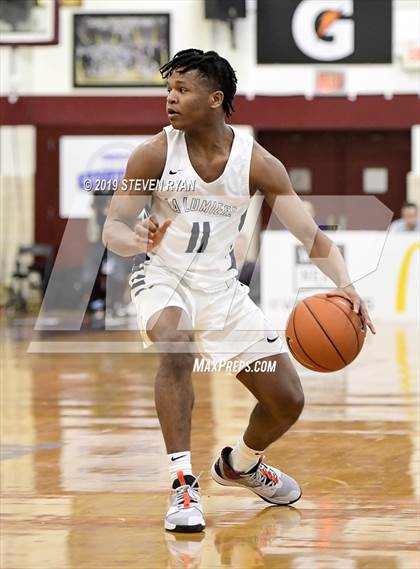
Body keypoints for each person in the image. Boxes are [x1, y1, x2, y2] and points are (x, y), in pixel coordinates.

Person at [103, 49, 375, 534]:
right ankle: (183, 483)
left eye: (182, 90)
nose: (170, 99)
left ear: (215, 99)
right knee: (176, 343)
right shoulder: (154, 153)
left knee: (287, 400)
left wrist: (346, 286)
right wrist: (136, 239)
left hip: (221, 288)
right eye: (169, 90)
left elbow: (311, 237)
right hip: (163, 276)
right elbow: (113, 229)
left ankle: (242, 465)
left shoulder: (259, 163)